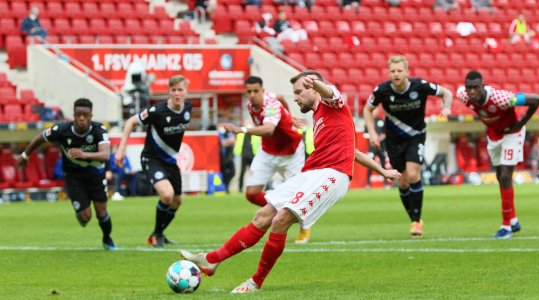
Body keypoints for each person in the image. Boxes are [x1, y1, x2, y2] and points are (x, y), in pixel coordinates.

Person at [179, 70, 400, 293]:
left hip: (332, 174)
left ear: (313, 88)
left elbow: (332, 93)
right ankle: (212, 259)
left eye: (299, 92)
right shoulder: (319, 116)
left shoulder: (334, 105)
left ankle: (255, 282)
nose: (295, 98)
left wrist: (318, 85)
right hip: (310, 173)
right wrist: (382, 171)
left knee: (280, 220)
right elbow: (353, 151)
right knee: (262, 216)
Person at [363, 55, 453, 239]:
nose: (396, 74)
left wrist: (447, 107)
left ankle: (416, 221)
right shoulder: (382, 90)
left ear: (407, 72)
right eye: (392, 71)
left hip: (416, 136)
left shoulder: (420, 85)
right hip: (393, 140)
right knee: (402, 181)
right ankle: (413, 217)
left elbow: (447, 93)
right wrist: (372, 133)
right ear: (389, 73)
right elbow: (367, 109)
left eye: (399, 71)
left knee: (413, 175)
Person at [221, 76, 313, 244]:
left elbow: (270, 129)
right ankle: (280, 201)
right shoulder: (251, 105)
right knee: (251, 194)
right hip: (268, 152)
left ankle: (304, 228)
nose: (252, 94)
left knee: (300, 196)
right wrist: (289, 117)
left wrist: (242, 129)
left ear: (262, 91)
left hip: (291, 153)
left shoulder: (270, 104)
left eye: (256, 91)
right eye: (249, 91)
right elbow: (281, 97)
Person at [16, 98, 117, 250]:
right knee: (85, 217)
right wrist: (25, 155)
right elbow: (40, 138)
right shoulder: (62, 129)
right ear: (74, 115)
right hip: (73, 175)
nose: (82, 118)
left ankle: (107, 239)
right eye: (78, 114)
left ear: (91, 116)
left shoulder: (99, 130)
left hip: (95, 174)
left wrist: (84, 154)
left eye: (85, 115)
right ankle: (81, 211)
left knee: (101, 212)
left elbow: (105, 155)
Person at [456, 70, 539, 239]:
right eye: (469, 88)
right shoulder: (462, 95)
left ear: (483, 86)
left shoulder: (501, 98)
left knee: (505, 176)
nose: (472, 92)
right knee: (499, 175)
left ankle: (506, 226)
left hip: (512, 133)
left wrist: (522, 122)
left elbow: (537, 99)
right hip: (494, 135)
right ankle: (514, 220)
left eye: (476, 88)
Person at [115, 75, 192, 248]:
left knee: (177, 201)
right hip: (152, 158)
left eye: (180, 89)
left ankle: (159, 233)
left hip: (171, 161)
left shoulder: (188, 108)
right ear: (169, 92)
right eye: (173, 90)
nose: (177, 93)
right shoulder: (157, 111)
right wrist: (121, 149)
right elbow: (130, 122)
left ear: (186, 91)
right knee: (167, 194)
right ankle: (157, 235)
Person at [217, 125, 236, 193]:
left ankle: (226, 185)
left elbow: (233, 140)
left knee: (233, 172)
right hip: (223, 157)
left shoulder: (228, 133)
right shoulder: (219, 134)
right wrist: (229, 141)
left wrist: (227, 142)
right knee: (223, 172)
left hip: (230, 156)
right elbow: (223, 144)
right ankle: (224, 188)